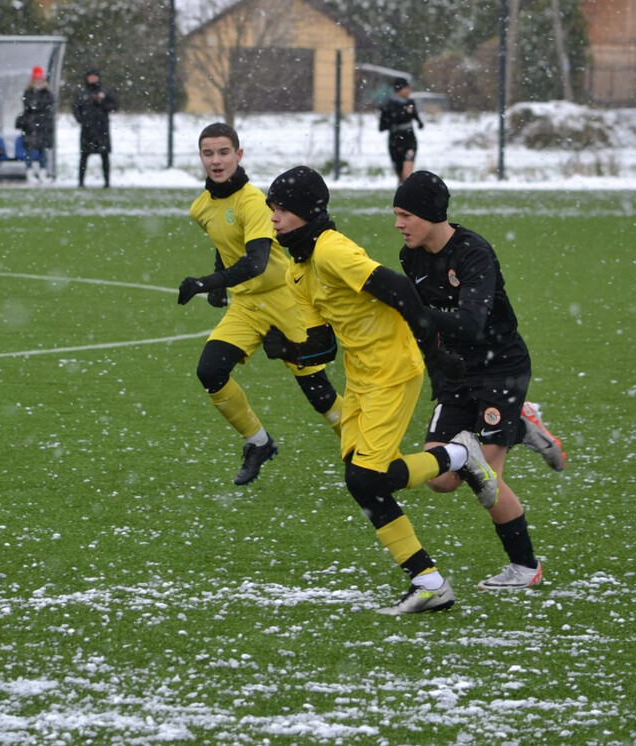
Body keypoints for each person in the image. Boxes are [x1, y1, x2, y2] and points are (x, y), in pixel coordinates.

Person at [261, 165, 497, 615]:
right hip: (362, 374)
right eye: (272, 207)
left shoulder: (332, 252)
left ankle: (432, 570)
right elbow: (321, 344)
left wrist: (434, 352)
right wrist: (285, 346)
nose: (274, 216)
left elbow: (400, 291)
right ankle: (458, 465)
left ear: (308, 212)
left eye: (283, 208)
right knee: (364, 476)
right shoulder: (299, 269)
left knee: (365, 480)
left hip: (392, 368)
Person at [393, 170, 567, 591]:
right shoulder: (410, 256)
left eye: (405, 216)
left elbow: (471, 323)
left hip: (499, 366)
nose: (398, 224)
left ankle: (526, 567)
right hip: (455, 371)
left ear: (432, 215)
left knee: (481, 476)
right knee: (440, 479)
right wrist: (435, 359)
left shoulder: (473, 253)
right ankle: (520, 425)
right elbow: (428, 328)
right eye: (395, 215)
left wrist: (410, 311)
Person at [178, 123, 345, 486]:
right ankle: (258, 441)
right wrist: (220, 279)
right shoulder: (201, 208)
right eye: (208, 153)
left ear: (238, 155)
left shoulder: (254, 201)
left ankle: (364, 452)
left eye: (224, 152)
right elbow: (227, 243)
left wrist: (205, 284)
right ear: (201, 157)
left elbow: (255, 261)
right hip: (246, 304)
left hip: (285, 300)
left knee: (318, 392)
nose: (216, 160)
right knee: (210, 372)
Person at [72, 68, 118, 188]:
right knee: (84, 156)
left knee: (104, 155)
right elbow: (76, 107)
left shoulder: (105, 92)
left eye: (94, 76)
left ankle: (107, 182)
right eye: (90, 76)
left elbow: (114, 106)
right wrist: (81, 119)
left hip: (102, 129)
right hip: (87, 129)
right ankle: (81, 182)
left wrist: (102, 103)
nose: (92, 79)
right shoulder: (82, 93)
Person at [378, 76, 424, 184]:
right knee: (399, 171)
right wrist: (397, 119)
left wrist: (419, 122)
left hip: (409, 138)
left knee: (408, 168)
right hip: (395, 140)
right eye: (407, 88)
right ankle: (402, 193)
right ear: (400, 89)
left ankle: (407, 189)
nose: (410, 90)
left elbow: (415, 115)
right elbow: (382, 127)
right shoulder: (389, 105)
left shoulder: (410, 102)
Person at [16, 67, 55, 183]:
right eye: (36, 79)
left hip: (43, 127)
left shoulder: (47, 93)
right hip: (31, 127)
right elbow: (29, 106)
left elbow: (47, 105)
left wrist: (38, 106)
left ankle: (43, 173)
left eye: (40, 78)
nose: (38, 81)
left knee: (43, 151)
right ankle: (30, 173)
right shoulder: (28, 93)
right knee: (30, 150)